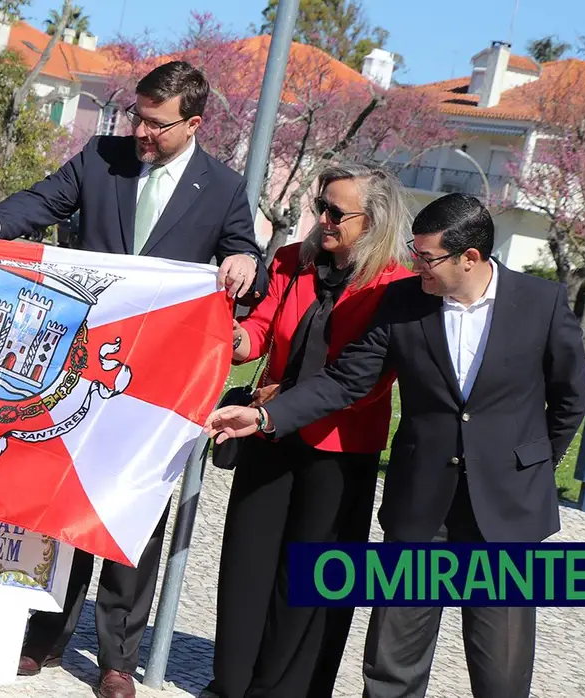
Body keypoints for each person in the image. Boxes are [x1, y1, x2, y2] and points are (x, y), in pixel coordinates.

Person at [0, 60, 268, 698]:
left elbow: (248, 257)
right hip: (78, 365)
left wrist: (243, 260)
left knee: (135, 507)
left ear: (193, 124)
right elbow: (43, 200)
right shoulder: (102, 158)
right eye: (137, 118)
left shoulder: (224, 187)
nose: (141, 133)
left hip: (159, 380)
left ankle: (117, 659)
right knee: (62, 491)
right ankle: (44, 634)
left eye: (156, 124)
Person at [203, 192, 585, 698]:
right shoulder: (404, 301)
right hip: (422, 506)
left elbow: (570, 400)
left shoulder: (542, 303)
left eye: (427, 258)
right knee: (392, 670)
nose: (416, 265)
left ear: (470, 258)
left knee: (500, 675)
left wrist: (531, 467)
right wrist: (264, 416)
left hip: (507, 512)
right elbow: (347, 379)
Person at [205, 164, 414, 698]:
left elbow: (368, 380)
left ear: (374, 221)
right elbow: (261, 329)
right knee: (248, 562)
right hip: (268, 433)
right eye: (321, 206)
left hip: (340, 446)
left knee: (316, 577)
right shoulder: (291, 260)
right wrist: (234, 338)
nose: (323, 219)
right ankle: (232, 683)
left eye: (336, 212)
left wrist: (284, 402)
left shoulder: (396, 285)